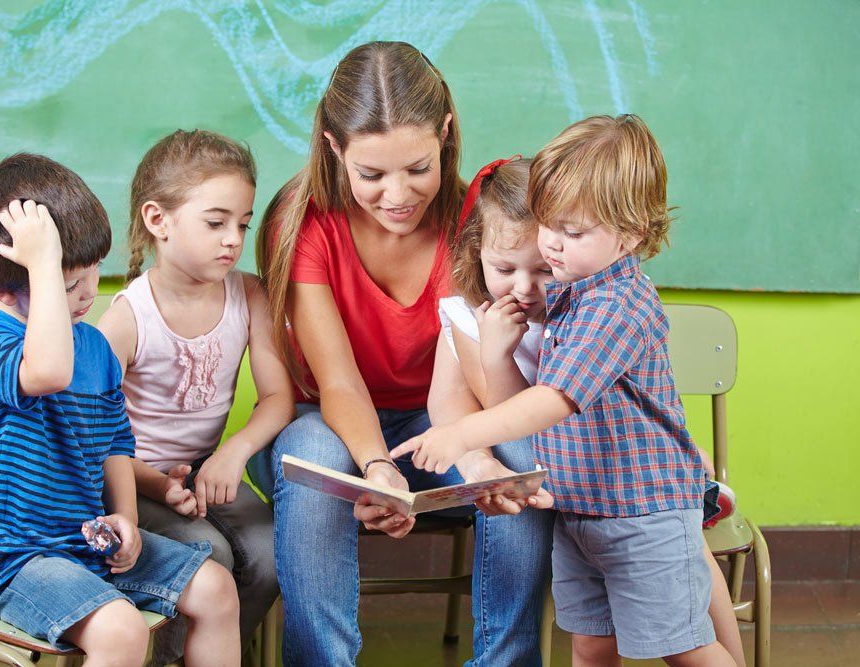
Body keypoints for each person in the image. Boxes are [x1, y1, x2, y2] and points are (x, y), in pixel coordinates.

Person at [394, 115, 738, 665]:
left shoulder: (612, 307)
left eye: (571, 233)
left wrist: (461, 434)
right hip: (585, 507)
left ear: (631, 235)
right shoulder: (571, 295)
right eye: (549, 225)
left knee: (684, 646)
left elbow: (552, 399)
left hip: (641, 509)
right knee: (591, 642)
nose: (552, 245)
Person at [255, 41, 553, 666]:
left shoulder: (478, 222)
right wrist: (376, 467)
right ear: (334, 148)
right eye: (372, 175)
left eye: (418, 167)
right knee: (314, 453)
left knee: (523, 458)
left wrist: (475, 459)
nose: (398, 194)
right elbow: (337, 382)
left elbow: (470, 384)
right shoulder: (302, 221)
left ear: (445, 135)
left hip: (443, 420)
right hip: (332, 425)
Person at [0, 153, 240, 665]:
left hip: (85, 540)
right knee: (122, 631)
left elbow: (115, 445)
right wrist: (43, 263)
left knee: (217, 589)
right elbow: (47, 371)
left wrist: (125, 517)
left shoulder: (95, 348)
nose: (89, 293)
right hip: (12, 559)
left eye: (94, 272)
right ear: (3, 290)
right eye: (67, 284)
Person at [98, 130, 293, 664]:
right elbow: (90, 438)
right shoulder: (127, 320)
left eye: (242, 224)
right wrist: (158, 485)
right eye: (215, 223)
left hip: (204, 468)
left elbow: (279, 396)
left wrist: (233, 452)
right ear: (158, 220)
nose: (233, 239)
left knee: (272, 557)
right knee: (213, 556)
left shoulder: (248, 293)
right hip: (131, 480)